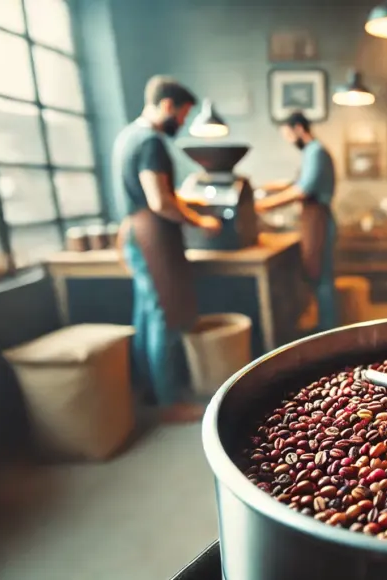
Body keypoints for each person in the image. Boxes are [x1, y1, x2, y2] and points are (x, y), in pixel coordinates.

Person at [112, 75, 221, 423]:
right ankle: (169, 402)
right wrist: (199, 221)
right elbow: (159, 201)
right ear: (167, 105)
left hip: (136, 232)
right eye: (184, 115)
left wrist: (185, 201)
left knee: (146, 314)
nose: (183, 122)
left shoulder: (127, 136)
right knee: (164, 316)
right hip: (152, 237)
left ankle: (150, 390)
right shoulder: (151, 142)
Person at [255, 112, 338, 332]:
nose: (288, 140)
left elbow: (303, 189)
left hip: (319, 220)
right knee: (316, 277)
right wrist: (264, 187)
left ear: (299, 129)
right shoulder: (312, 152)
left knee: (322, 280)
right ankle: (324, 327)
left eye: (288, 134)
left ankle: (329, 331)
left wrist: (264, 205)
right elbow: (294, 182)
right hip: (312, 220)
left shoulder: (316, 151)